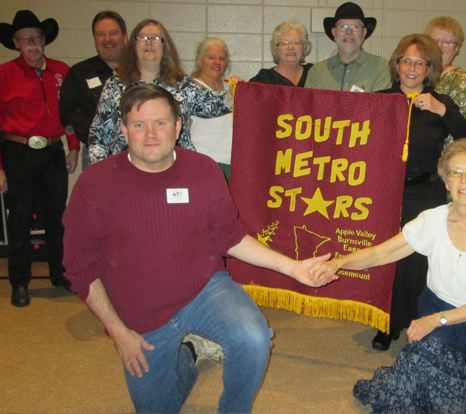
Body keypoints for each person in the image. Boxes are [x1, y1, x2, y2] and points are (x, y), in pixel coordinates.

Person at [63, 84, 336, 413]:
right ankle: (184, 359)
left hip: (202, 288)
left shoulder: (203, 170)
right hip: (140, 312)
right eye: (139, 125)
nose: (151, 134)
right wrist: (119, 333)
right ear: (123, 129)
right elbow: (80, 269)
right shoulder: (95, 184)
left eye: (161, 123)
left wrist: (293, 267)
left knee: (254, 338)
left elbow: (231, 237)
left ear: (178, 125)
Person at [311, 139, 466, 413]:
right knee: (417, 370)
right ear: (446, 181)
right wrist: (338, 263)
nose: (463, 180)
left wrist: (435, 320)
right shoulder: (432, 220)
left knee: (441, 393)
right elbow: (381, 254)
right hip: (436, 309)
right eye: (455, 172)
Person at [371, 34, 466, 351]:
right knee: (386, 257)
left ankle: (418, 323)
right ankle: (386, 322)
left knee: (418, 261)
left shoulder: (439, 102)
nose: (412, 68)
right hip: (385, 192)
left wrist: (442, 110)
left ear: (429, 68)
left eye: (420, 62)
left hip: (424, 192)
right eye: (406, 61)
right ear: (397, 64)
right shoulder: (380, 100)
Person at [0, 10, 80, 307]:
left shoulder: (61, 70)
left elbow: (69, 114)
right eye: (25, 39)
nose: (32, 43)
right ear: (15, 43)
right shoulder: (4, 74)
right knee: (20, 217)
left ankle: (60, 273)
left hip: (52, 152)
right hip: (17, 152)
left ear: (44, 40)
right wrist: (0, 168)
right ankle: (19, 282)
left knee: (57, 216)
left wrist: (73, 146)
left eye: (36, 37)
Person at [88, 18, 230, 164]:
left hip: (177, 168)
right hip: (126, 169)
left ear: (164, 47)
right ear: (133, 45)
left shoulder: (182, 84)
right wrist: (99, 171)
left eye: (155, 38)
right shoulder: (115, 85)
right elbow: (98, 135)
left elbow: (217, 104)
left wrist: (238, 90)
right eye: (143, 37)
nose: (149, 42)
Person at [59, 11, 127, 169]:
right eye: (101, 34)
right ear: (95, 39)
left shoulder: (140, 72)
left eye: (113, 33)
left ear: (124, 37)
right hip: (95, 155)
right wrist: (95, 136)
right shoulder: (79, 73)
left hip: (135, 155)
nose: (107, 39)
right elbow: (68, 112)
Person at [305, 2, 390, 92]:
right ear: (334, 32)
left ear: (364, 32)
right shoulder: (316, 72)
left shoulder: (380, 68)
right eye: (343, 26)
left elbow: (382, 101)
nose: (349, 32)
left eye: (355, 26)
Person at [190, 37, 236, 179]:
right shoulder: (190, 89)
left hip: (232, 165)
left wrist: (243, 92)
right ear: (200, 60)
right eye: (211, 57)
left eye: (221, 58)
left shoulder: (230, 89)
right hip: (203, 164)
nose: (217, 62)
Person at [425, 16, 466, 130]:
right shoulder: (416, 76)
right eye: (434, 40)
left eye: (446, 42)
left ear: (457, 49)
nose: (439, 46)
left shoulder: (460, 80)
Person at [250, 21, 313, 87]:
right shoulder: (263, 80)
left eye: (296, 43)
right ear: (276, 48)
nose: (291, 47)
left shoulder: (314, 73)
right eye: (285, 43)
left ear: (304, 47)